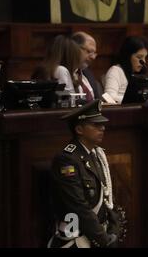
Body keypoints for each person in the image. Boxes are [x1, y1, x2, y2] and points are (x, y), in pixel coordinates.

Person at [48, 100, 122, 248]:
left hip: (97, 235)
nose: (102, 128)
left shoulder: (96, 154)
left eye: (102, 124)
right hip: (77, 238)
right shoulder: (67, 160)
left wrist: (114, 230)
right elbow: (79, 207)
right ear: (79, 129)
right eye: (95, 125)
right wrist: (104, 240)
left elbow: (108, 198)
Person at [103, 36, 148, 104]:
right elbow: (109, 97)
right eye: (139, 57)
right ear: (127, 56)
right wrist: (141, 99)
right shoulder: (115, 71)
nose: (143, 61)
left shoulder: (138, 73)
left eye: (145, 57)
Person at [71, 32, 103, 100]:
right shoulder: (65, 72)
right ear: (75, 48)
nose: (93, 57)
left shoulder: (88, 74)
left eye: (94, 53)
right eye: (89, 51)